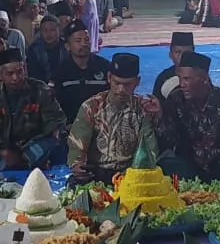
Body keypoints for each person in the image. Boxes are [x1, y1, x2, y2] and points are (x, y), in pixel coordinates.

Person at [160, 52, 220, 195]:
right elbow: (168, 139)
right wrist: (159, 116)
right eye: (179, 78)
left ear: (204, 78)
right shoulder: (176, 99)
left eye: (186, 79)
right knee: (164, 166)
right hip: (191, 167)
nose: (181, 84)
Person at [67, 53, 163, 185]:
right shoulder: (92, 106)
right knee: (75, 186)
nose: (121, 90)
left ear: (137, 82)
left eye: (127, 84)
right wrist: (77, 166)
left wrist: (158, 115)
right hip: (95, 172)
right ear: (109, 78)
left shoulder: (143, 108)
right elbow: (77, 144)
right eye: (117, 83)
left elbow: (149, 150)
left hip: (129, 176)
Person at [0, 49, 67, 171]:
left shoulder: (41, 90)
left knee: (58, 145)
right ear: (0, 75)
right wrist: (3, 150)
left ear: (25, 69)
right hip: (7, 146)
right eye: (10, 74)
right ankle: (30, 163)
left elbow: (55, 120)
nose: (15, 78)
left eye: (20, 71)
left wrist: (53, 134)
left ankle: (16, 164)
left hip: (34, 142)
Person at [51, 22, 110, 121]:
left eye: (86, 39)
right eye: (78, 41)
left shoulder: (105, 66)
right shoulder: (60, 71)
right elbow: (54, 103)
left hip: (101, 123)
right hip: (71, 125)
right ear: (67, 46)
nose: (84, 44)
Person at [153, 32, 193, 100]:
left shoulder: (200, 77)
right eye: (178, 52)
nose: (182, 57)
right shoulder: (163, 78)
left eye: (187, 53)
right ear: (170, 55)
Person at [25, 17, 66, 82]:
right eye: (45, 30)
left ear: (59, 30)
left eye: (52, 30)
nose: (48, 34)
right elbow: (33, 76)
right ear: (40, 32)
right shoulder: (34, 50)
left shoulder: (67, 47)